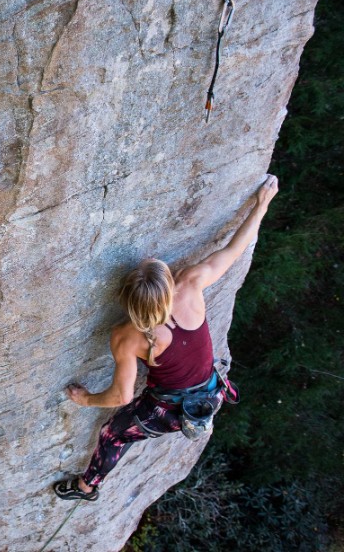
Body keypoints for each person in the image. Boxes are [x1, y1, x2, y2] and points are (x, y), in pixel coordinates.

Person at [53, 174, 279, 501]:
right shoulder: (190, 284)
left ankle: (86, 488)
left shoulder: (127, 336)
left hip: (168, 412)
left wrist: (84, 399)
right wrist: (261, 207)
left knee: (112, 435)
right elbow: (233, 250)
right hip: (212, 391)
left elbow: (120, 397)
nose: (147, 260)